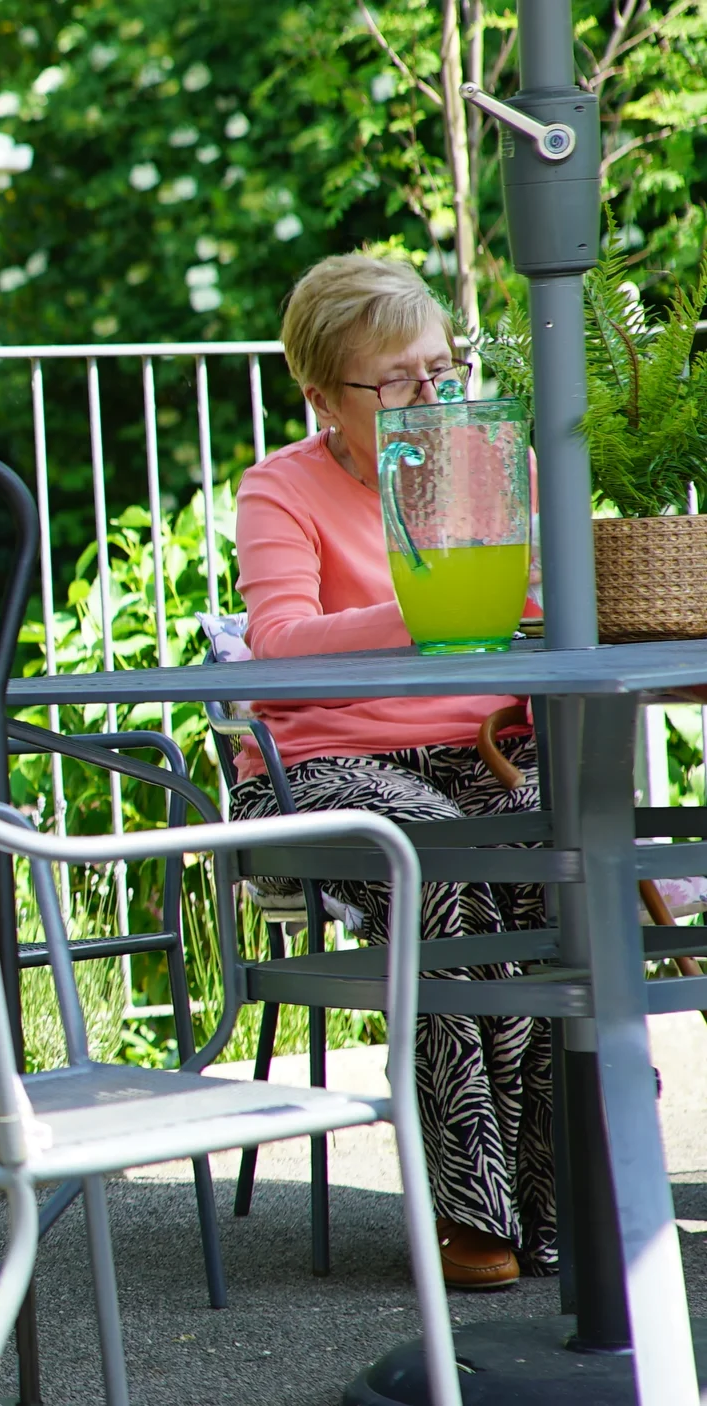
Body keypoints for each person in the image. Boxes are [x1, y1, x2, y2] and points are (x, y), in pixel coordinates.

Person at [228, 253, 552, 1290]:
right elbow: (277, 645)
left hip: (476, 746)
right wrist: (432, 600)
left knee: (558, 852)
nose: (431, 396)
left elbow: (544, 609)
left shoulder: (490, 465)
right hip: (322, 763)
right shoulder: (281, 488)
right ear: (323, 397)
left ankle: (551, 1193)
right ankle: (473, 1204)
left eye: (441, 370)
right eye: (399, 380)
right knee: (438, 868)